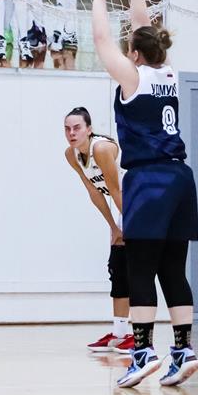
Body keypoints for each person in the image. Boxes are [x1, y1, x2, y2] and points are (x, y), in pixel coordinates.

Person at [90, 0, 198, 388]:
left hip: (149, 180)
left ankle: (143, 351)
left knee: (140, 268)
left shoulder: (133, 78)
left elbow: (102, 41)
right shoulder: (168, 73)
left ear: (134, 54)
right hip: (181, 180)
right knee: (173, 270)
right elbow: (143, 29)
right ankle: (183, 350)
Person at [63, 106, 132, 354]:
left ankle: (138, 335)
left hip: (138, 201)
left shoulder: (101, 149)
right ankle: (120, 333)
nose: (72, 133)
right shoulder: (71, 154)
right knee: (117, 266)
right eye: (67, 129)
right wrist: (113, 227)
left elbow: (116, 190)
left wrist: (129, 226)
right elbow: (94, 192)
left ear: (89, 129)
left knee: (134, 268)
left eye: (77, 128)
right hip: (123, 207)